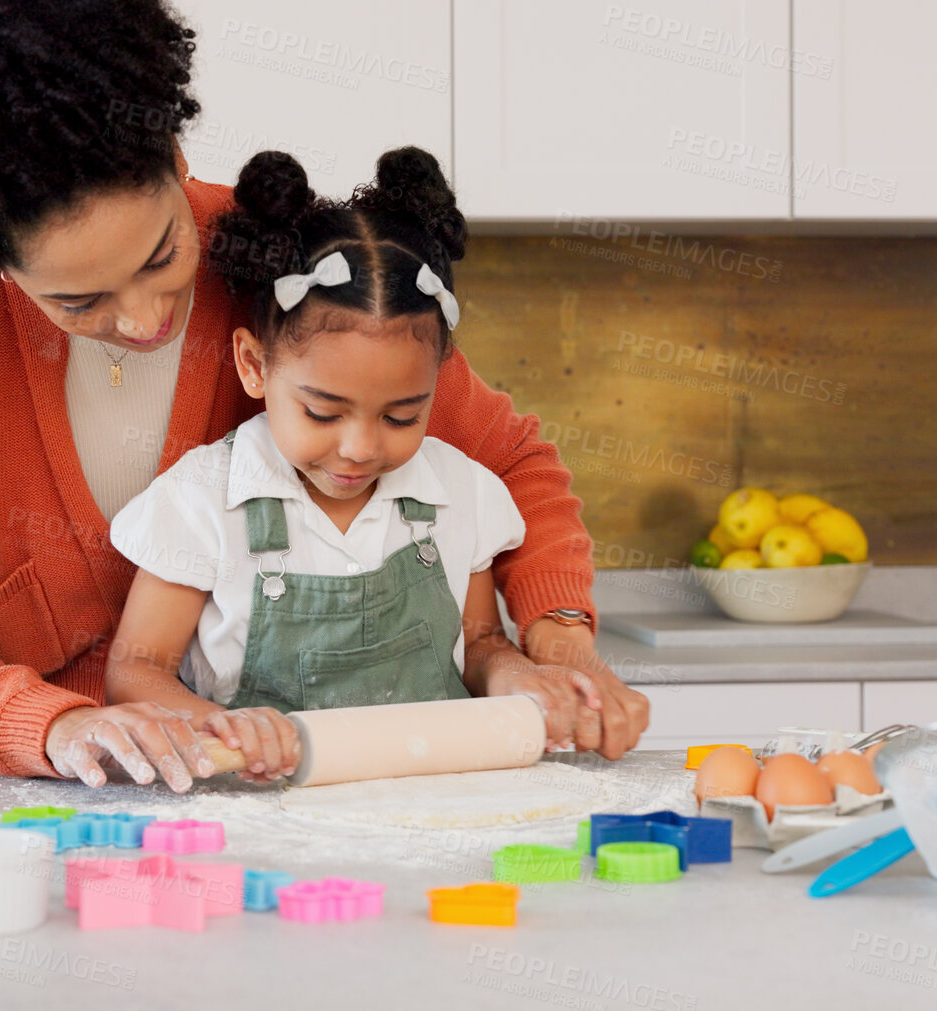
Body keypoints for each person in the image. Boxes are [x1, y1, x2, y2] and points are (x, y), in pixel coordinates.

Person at [0, 0, 647, 792]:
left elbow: (513, 462)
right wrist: (53, 725)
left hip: (279, 781)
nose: (146, 319)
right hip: (57, 786)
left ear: (176, 161)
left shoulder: (281, 264)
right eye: (79, 301)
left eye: (160, 255)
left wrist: (558, 640)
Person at [104, 148, 602, 783]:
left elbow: (480, 645)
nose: (362, 448)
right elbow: (133, 672)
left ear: (436, 386)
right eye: (323, 413)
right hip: (259, 815)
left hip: (435, 805)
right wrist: (213, 725)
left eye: (401, 416)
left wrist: (523, 676)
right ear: (254, 366)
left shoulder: (461, 494)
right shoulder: (201, 500)